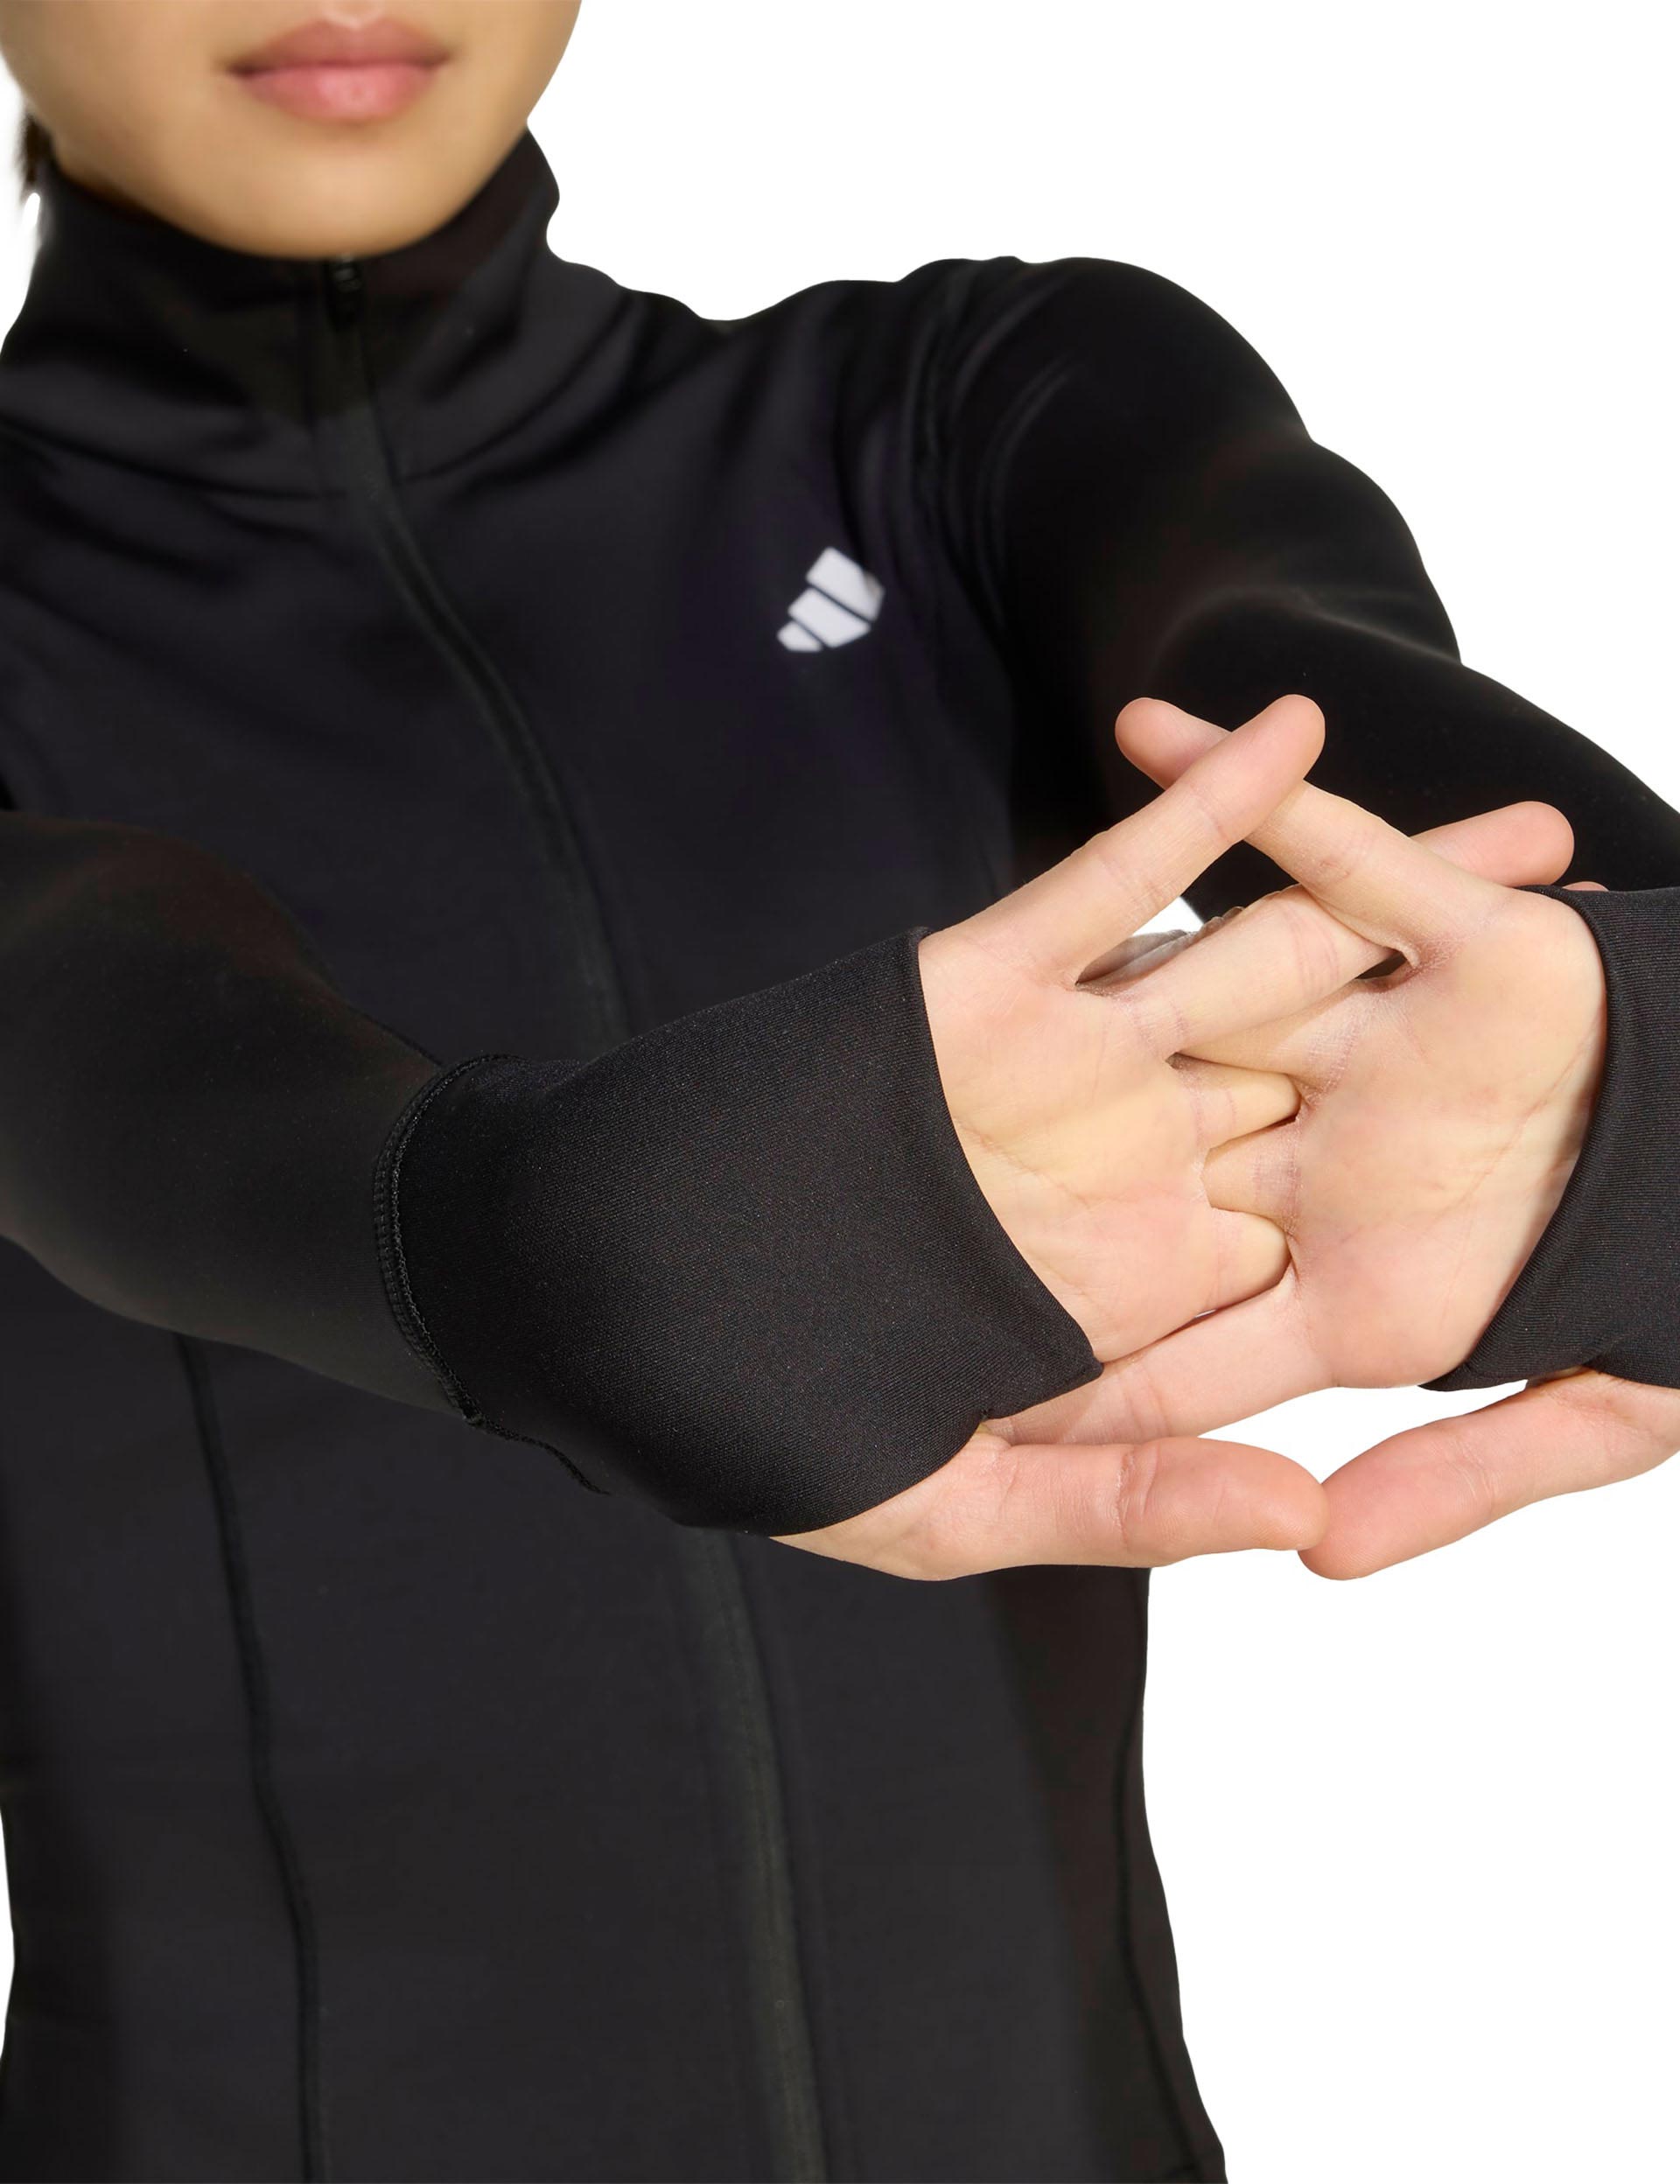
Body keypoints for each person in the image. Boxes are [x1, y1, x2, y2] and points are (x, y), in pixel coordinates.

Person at [0, 4, 1673, 2177]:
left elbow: (1315, 691)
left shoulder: (962, 419)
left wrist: (1639, 1066)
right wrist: (497, 1243)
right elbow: (74, 1011)